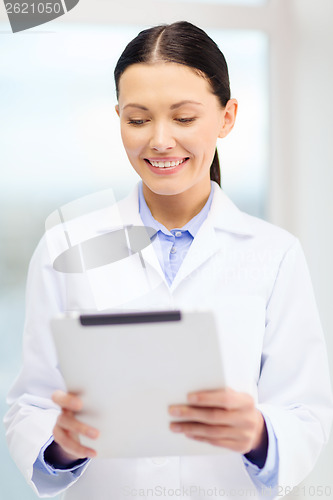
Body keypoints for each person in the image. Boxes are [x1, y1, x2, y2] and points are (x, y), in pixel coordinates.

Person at [4, 21, 333, 500]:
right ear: (118, 116)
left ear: (226, 117)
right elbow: (30, 404)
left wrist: (259, 435)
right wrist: (61, 447)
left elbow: (305, 414)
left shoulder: (273, 254)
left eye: (183, 118)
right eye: (138, 120)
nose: (159, 141)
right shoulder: (64, 249)